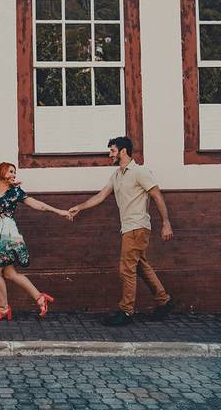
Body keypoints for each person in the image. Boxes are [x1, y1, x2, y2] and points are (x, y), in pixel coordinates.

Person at [69, 136, 175, 326]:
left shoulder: (140, 172)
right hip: (128, 228)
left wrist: (166, 223)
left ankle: (126, 311)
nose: (110, 155)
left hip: (137, 226)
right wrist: (80, 207)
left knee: (126, 269)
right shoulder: (117, 175)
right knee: (140, 266)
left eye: (112, 151)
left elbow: (157, 196)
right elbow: (101, 196)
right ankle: (164, 301)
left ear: (123, 151)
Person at [0, 162, 72, 321]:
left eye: (14, 173)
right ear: (1, 172)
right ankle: (39, 297)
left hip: (8, 234)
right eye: (10, 171)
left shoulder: (15, 192)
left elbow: (38, 205)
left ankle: (3, 308)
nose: (13, 175)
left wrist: (58, 211)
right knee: (9, 273)